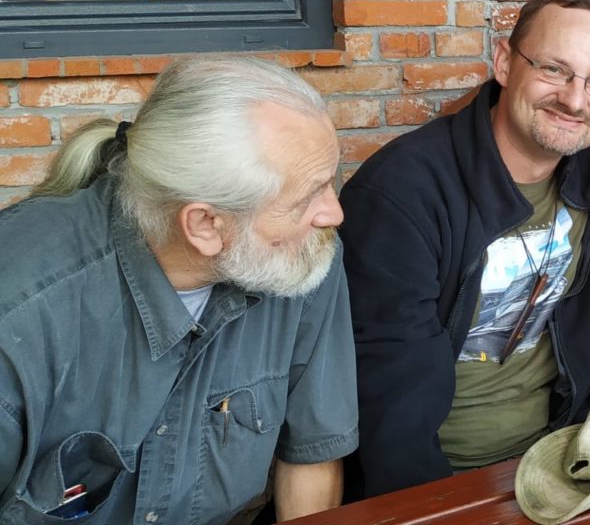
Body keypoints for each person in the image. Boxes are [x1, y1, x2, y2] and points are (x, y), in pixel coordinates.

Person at [0, 57, 357, 524]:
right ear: (205, 224)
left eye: (329, 183)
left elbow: (312, 450)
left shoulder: (304, 256)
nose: (333, 214)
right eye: (307, 196)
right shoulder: (21, 312)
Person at [340, 0, 590, 496]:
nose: (574, 100)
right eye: (554, 69)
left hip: (562, 458)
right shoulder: (402, 193)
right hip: (446, 479)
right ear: (503, 63)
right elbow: (390, 406)